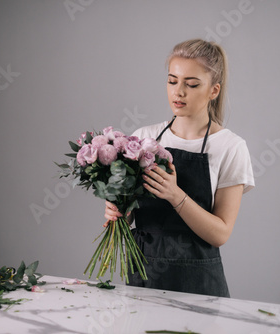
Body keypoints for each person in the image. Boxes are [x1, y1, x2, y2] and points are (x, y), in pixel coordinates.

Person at [104, 39, 255, 297]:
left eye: (192, 84)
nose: (179, 92)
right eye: (172, 81)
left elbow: (220, 233)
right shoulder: (143, 138)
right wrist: (116, 211)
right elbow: (127, 218)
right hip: (144, 277)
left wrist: (176, 195)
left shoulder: (230, 147)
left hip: (199, 284)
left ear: (214, 90)